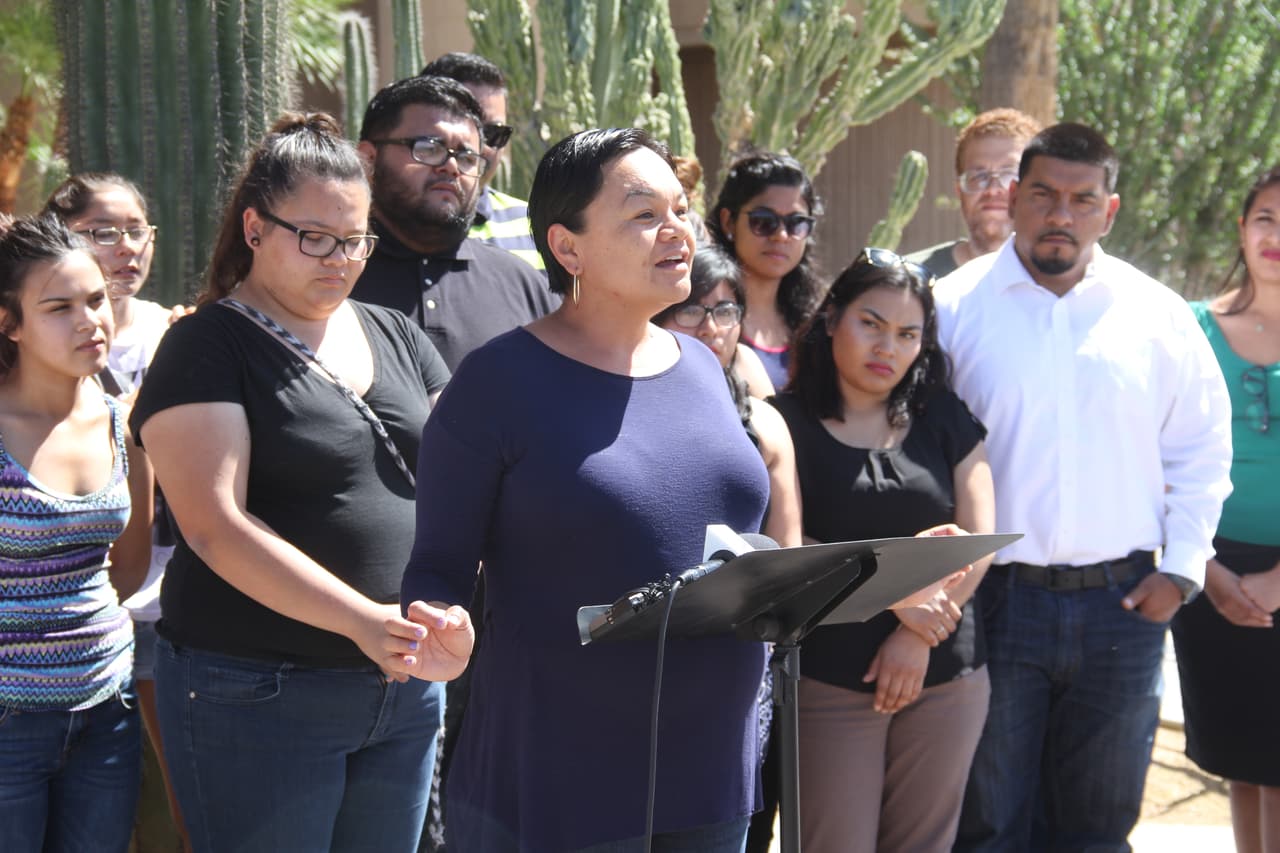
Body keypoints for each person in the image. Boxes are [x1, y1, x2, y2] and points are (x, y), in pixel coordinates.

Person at [400, 127, 770, 852]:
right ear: (568, 248)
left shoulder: (701, 364)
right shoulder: (498, 381)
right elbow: (438, 565)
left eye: (681, 208)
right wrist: (438, 630)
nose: (679, 232)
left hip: (712, 760)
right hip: (562, 772)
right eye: (643, 214)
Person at [128, 113, 458, 852]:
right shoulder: (206, 343)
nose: (339, 259)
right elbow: (216, 526)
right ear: (254, 227)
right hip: (256, 690)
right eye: (315, 237)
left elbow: (456, 479)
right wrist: (364, 622)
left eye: (355, 241)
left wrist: (450, 608)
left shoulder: (395, 331)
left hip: (402, 684)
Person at [937, 123, 1234, 852]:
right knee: (989, 824)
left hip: (1123, 608)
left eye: (1081, 199)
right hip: (995, 604)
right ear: (1012, 198)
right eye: (1042, 194)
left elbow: (1201, 446)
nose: (1060, 215)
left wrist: (1183, 569)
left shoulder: (1157, 314)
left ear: (1111, 209)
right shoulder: (952, 307)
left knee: (1097, 830)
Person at [767, 249, 995, 852]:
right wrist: (899, 595)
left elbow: (979, 538)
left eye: (907, 334)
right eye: (871, 323)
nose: (886, 347)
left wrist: (917, 634)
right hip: (830, 675)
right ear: (832, 319)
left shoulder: (942, 415)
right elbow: (790, 546)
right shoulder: (781, 423)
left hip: (946, 673)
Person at [42, 172, 189, 849]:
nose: (127, 246)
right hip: (66, 617)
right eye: (105, 231)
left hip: (169, 597)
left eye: (138, 230)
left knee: (171, 799)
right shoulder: (36, 353)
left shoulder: (182, 330)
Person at [0, 212, 153, 853]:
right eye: (58, 307)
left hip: (108, 714)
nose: (90, 320)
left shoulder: (123, 418)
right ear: (8, 323)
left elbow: (128, 565)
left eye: (96, 299)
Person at [1171, 164, 1280, 853]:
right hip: (1211, 573)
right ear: (1242, 229)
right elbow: (1166, 455)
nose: (1277, 236)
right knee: (1243, 762)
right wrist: (1208, 571)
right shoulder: (1190, 327)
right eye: (1266, 218)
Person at [351, 75, 557, 371]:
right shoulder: (334, 273)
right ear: (368, 158)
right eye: (427, 147)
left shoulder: (523, 284)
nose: (450, 166)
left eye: (466, 156)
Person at [653, 244, 801, 548]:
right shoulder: (626, 411)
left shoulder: (765, 424)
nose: (710, 329)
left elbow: (789, 550)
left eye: (725, 312)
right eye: (690, 311)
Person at [708, 151, 824, 390]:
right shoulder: (701, 315)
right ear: (728, 221)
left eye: (796, 223)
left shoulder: (817, 322)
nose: (781, 235)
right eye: (763, 221)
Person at [421, 52, 542, 272]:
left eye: (494, 133)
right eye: (465, 128)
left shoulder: (538, 228)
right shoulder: (364, 231)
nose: (477, 147)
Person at [906, 109, 1041, 279]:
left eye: (1010, 174)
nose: (993, 189)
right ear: (959, 191)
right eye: (979, 176)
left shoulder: (1064, 287)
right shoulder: (911, 280)